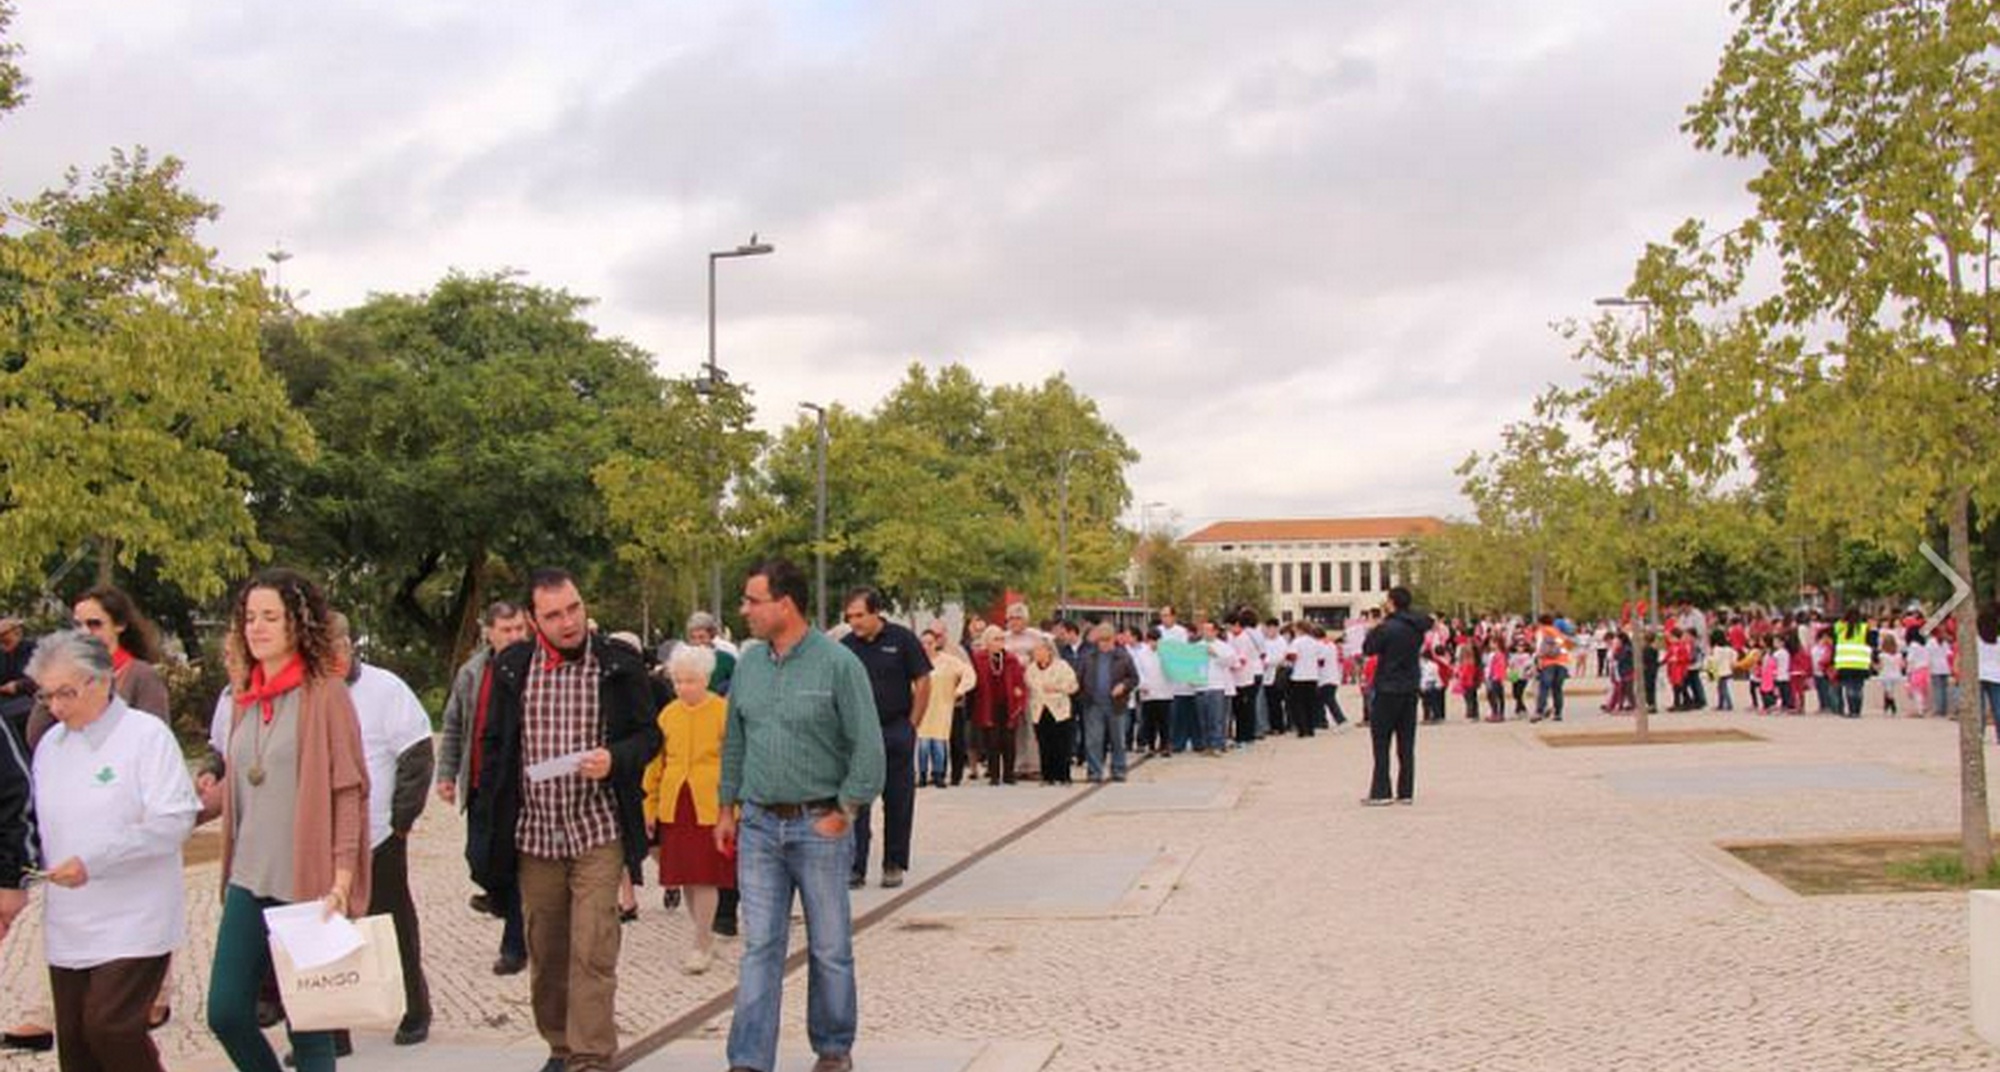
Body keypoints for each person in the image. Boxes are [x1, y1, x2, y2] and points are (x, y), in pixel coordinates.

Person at [467, 569, 661, 1072]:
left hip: (597, 830)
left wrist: (616, 758)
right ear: (534, 621)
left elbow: (648, 736)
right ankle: (560, 1045)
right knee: (548, 954)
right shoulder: (511, 667)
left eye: (573, 608)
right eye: (554, 614)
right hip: (535, 835)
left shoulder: (619, 664)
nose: (568, 621)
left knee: (594, 949)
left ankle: (592, 1057)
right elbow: (491, 746)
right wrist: (487, 821)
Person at [199, 569, 371, 1072]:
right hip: (248, 878)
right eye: (250, 617)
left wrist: (341, 879)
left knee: (311, 1029)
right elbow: (241, 783)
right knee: (227, 1012)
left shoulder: (325, 694)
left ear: (298, 624)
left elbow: (348, 793)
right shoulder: (242, 698)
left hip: (308, 884)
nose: (257, 627)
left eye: (270, 616)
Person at [717, 559, 885, 1072]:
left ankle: (833, 1049)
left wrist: (845, 811)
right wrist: (727, 808)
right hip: (760, 827)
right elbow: (735, 742)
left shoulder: (838, 664)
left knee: (830, 946)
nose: (744, 609)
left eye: (752, 600)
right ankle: (748, 1059)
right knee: (759, 946)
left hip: (819, 826)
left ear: (784, 604)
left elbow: (869, 750)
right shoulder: (748, 665)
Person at [28, 630, 196, 1072]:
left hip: (135, 918)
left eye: (66, 692)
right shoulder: (50, 746)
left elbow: (174, 820)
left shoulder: (146, 737)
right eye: (47, 696)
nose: (57, 707)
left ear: (102, 681)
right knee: (78, 1045)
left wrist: (96, 860)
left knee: (111, 1027)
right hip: (70, 923)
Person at [326, 612, 435, 1049]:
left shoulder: (385, 689)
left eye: (338, 648)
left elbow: (416, 755)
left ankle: (415, 1007)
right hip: (325, 838)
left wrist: (401, 821)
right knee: (328, 932)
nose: (333, 658)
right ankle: (333, 1028)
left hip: (379, 834)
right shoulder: (309, 693)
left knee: (393, 924)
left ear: (350, 646)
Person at [435, 600, 532, 975]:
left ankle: (515, 945)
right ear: (488, 632)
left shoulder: (534, 668)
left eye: (519, 629)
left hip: (518, 789)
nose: (514, 636)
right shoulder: (472, 672)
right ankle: (506, 904)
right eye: (506, 630)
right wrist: (446, 774)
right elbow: (455, 724)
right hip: (479, 784)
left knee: (516, 866)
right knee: (480, 860)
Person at [640, 644, 733, 975]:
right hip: (675, 801)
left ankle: (701, 942)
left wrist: (732, 808)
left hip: (709, 802)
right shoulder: (668, 714)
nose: (683, 687)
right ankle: (703, 936)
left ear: (706, 678)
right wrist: (648, 805)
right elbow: (655, 763)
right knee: (686, 876)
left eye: (690, 680)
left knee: (705, 875)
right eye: (678, 681)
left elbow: (736, 760)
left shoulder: (723, 711)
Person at [838, 588, 931, 889]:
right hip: (859, 735)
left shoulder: (902, 639)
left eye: (860, 615)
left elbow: (923, 680)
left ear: (876, 612)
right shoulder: (845, 647)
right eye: (850, 616)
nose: (854, 622)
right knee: (857, 801)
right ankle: (856, 866)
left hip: (895, 730)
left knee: (898, 799)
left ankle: (893, 862)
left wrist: (912, 725)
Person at [1362, 587, 1432, 806]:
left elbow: (1369, 649)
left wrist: (1374, 627)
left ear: (1391, 602)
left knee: (1381, 741)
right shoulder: (1416, 627)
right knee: (1406, 741)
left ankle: (1381, 790)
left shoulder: (1387, 628)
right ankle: (1406, 791)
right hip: (1410, 685)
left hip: (1387, 686)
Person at [1075, 623, 1137, 783]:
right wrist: (1083, 696)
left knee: (1118, 740)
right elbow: (1078, 679)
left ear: (1114, 639)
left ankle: (1119, 770)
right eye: (1101, 640)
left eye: (1107, 640)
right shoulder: (1088, 657)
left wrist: (1123, 686)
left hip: (1116, 705)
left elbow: (1134, 678)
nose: (1104, 643)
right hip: (1093, 704)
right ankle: (1094, 772)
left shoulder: (1123, 657)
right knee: (1093, 740)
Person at [915, 625, 974, 789]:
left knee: (940, 744)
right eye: (923, 643)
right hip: (923, 708)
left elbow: (969, 674)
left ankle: (939, 774)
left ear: (936, 643)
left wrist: (959, 691)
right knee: (923, 744)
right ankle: (922, 775)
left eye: (930, 643)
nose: (926, 646)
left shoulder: (949, 661)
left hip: (942, 707)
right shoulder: (916, 661)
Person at [1024, 639, 1078, 785]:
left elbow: (1073, 685)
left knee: (1061, 744)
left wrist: (1057, 688)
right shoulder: (1031, 669)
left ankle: (1063, 776)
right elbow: (1030, 684)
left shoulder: (1062, 666)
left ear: (1048, 651)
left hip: (1059, 710)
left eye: (1040, 650)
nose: (1037, 654)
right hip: (1040, 709)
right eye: (1035, 651)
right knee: (1044, 743)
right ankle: (1048, 776)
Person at [0, 616, 40, 742]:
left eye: (3, 635)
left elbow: (45, 679)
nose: (1, 640)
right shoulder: (4, 656)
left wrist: (18, 685)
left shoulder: (35, 650)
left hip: (33, 701)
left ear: (17, 632)